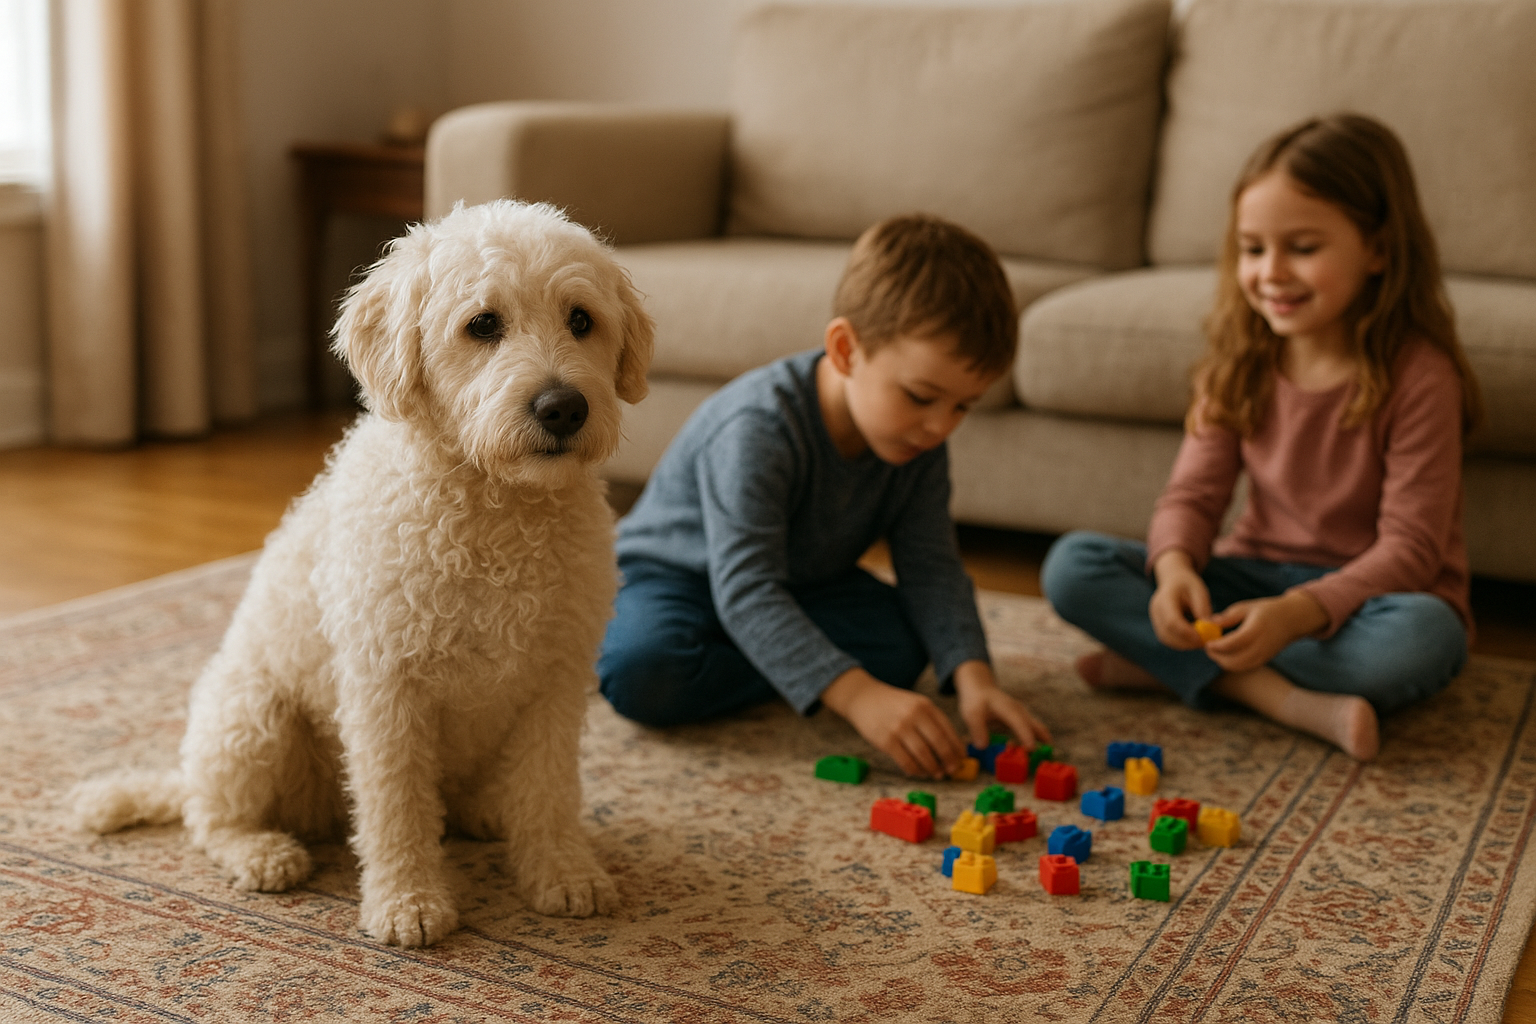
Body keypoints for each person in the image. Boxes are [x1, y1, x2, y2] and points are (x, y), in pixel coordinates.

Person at [1041, 113, 1482, 762]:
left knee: (1426, 639)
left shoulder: (1421, 376)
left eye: (1302, 248)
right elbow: (1192, 497)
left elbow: (1412, 549)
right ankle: (1275, 696)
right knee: (1073, 567)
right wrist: (1174, 570)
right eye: (1252, 249)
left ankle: (1170, 665)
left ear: (1380, 249)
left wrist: (1296, 614)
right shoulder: (1240, 359)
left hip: (1369, 602)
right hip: (1252, 581)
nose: (1271, 272)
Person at [599, 214, 1049, 778]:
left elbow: (931, 565)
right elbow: (747, 587)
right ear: (845, 350)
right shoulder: (758, 428)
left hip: (801, 584)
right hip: (680, 579)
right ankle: (796, 665)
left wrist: (975, 677)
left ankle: (787, 661)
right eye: (921, 396)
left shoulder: (918, 441)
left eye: (963, 406)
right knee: (643, 672)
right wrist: (857, 695)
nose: (941, 426)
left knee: (908, 643)